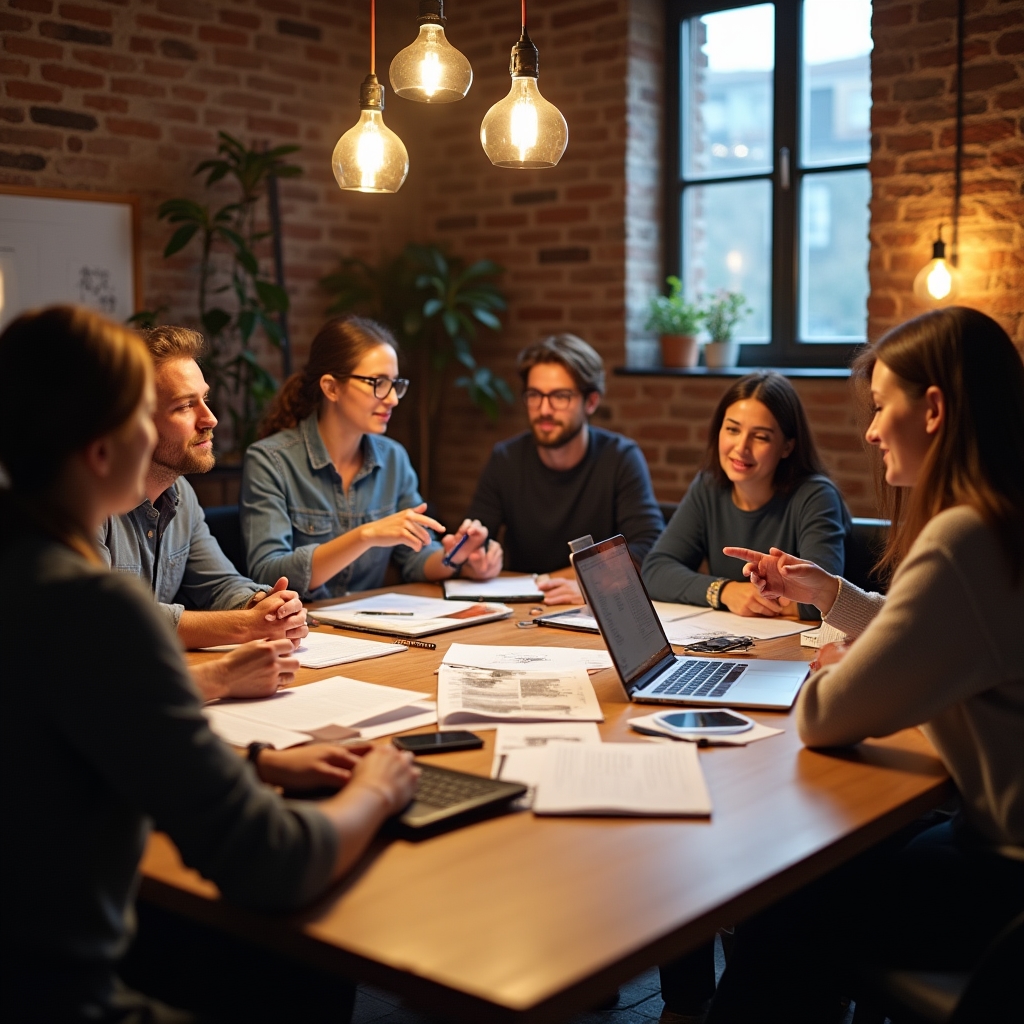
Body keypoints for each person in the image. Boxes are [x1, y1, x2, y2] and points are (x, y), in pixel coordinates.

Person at [0, 305, 419, 1024]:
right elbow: (274, 861)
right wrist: (378, 789)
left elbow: (82, 743)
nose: (207, 420)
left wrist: (257, 764)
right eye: (149, 412)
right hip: (60, 1002)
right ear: (102, 448)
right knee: (301, 961)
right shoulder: (93, 607)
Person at [705, 307, 1024, 1022]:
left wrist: (834, 664)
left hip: (1003, 876)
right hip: (995, 846)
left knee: (781, 898)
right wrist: (833, 596)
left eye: (882, 406)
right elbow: (940, 635)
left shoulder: (963, 537)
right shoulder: (1003, 516)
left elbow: (825, 717)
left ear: (933, 409)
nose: (872, 430)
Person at [98, 325, 307, 702]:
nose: (210, 418)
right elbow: (105, 624)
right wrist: (245, 625)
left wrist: (265, 606)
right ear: (133, 421)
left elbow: (219, 583)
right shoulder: (85, 504)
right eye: (184, 406)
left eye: (204, 399)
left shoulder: (180, 494)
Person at [242, 316, 502, 600]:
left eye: (395, 384)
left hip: (370, 620)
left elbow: (415, 558)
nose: (393, 399)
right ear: (331, 387)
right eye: (378, 382)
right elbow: (267, 573)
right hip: (300, 622)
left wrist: (455, 557)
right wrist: (365, 535)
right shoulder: (270, 460)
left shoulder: (393, 458)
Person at [466, 333, 664, 604]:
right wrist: (476, 558)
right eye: (535, 395)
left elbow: (649, 548)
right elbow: (477, 539)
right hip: (526, 608)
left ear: (591, 402)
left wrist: (587, 583)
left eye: (560, 396)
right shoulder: (506, 459)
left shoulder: (620, 458)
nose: (544, 409)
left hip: (591, 609)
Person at [642, 372, 851, 620]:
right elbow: (655, 571)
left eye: (760, 436)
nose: (741, 447)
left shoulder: (816, 496)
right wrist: (725, 591)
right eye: (732, 429)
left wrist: (759, 601)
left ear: (787, 447)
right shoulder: (708, 486)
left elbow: (824, 597)